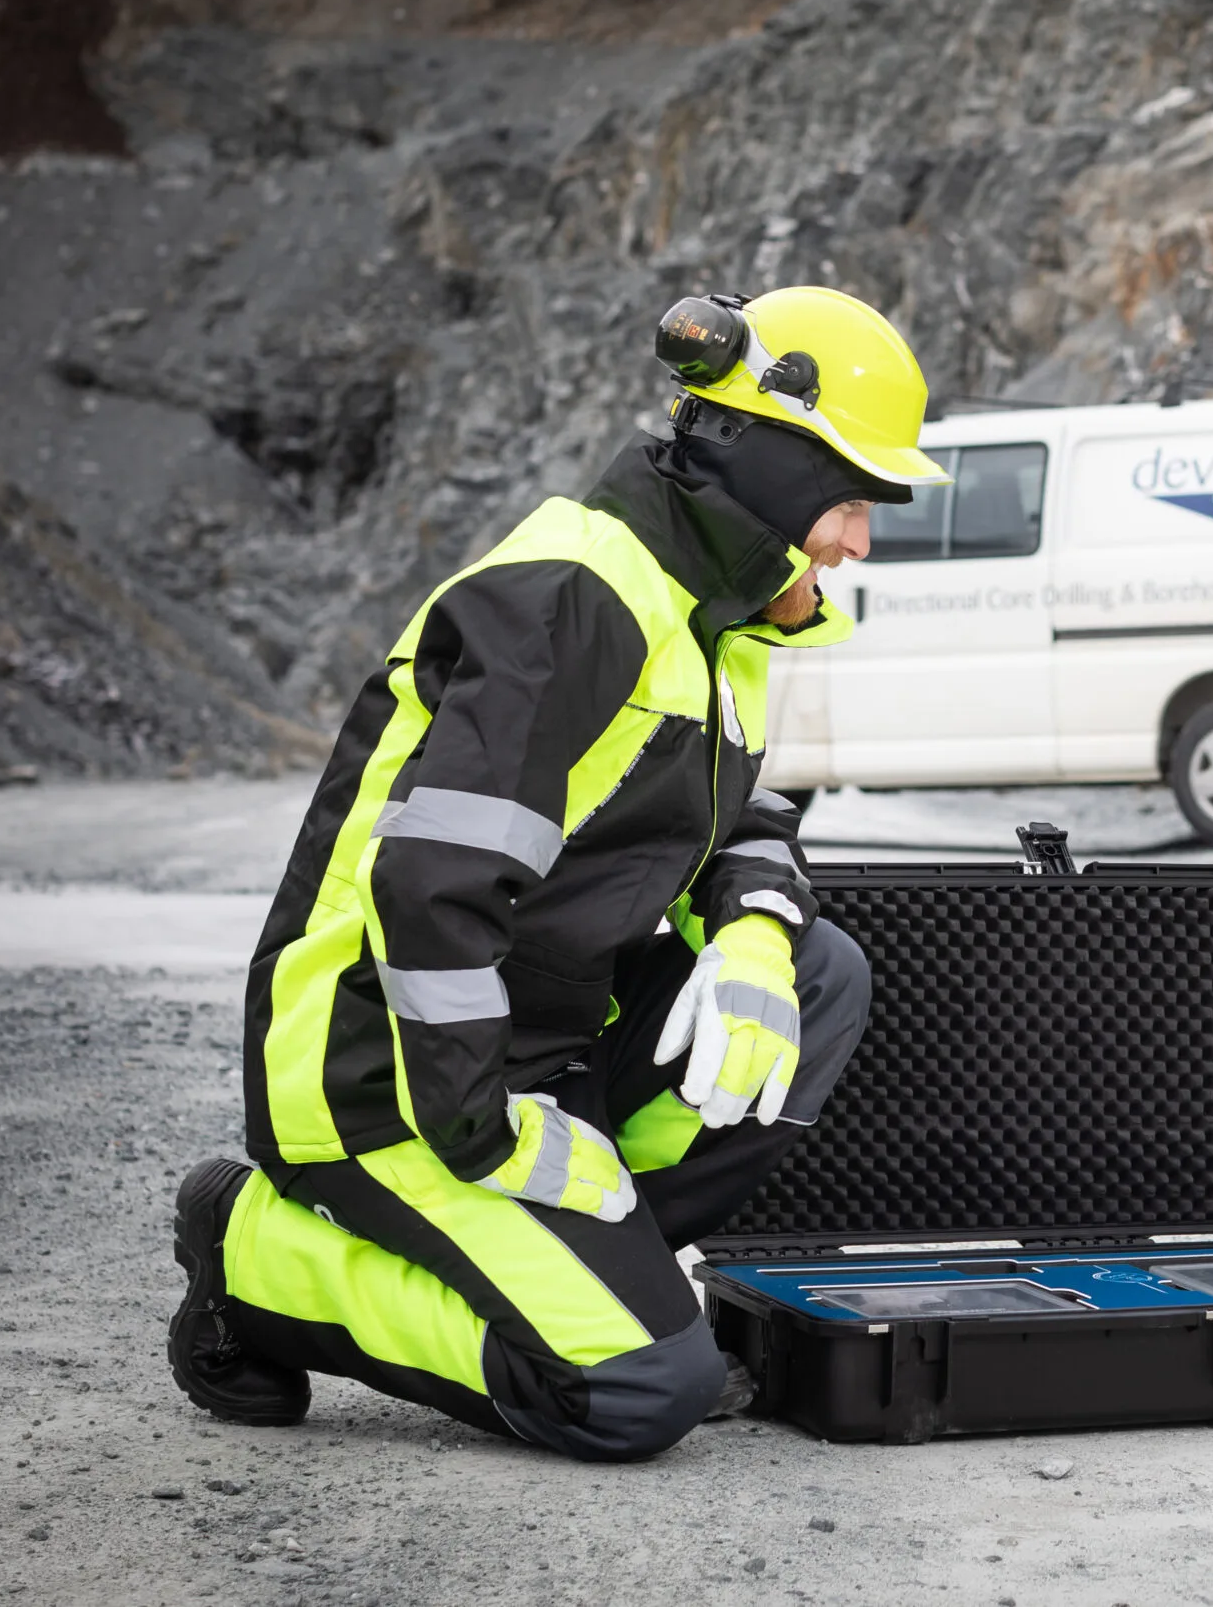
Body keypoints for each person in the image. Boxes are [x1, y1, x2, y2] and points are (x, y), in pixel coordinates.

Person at [166, 286, 950, 1460]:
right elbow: (432, 893)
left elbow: (744, 819)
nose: (857, 541)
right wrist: (490, 1138)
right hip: (383, 1078)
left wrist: (750, 937)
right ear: (774, 475)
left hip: (541, 1049)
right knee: (639, 1390)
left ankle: (582, 1252)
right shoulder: (575, 600)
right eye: (849, 500)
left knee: (817, 971)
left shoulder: (713, 625)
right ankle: (254, 1257)